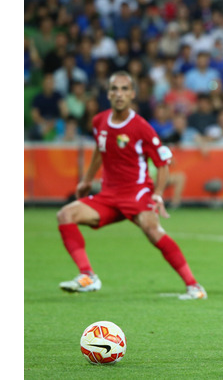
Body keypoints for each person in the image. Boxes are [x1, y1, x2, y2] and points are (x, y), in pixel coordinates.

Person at [55, 71, 206, 300]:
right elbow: (99, 149)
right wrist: (87, 180)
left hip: (137, 193)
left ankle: (194, 287)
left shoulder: (141, 127)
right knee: (65, 214)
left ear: (133, 94)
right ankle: (87, 276)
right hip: (109, 196)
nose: (119, 94)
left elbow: (162, 164)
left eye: (125, 89)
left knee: (152, 230)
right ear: (108, 93)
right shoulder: (99, 121)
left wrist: (156, 195)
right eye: (114, 88)